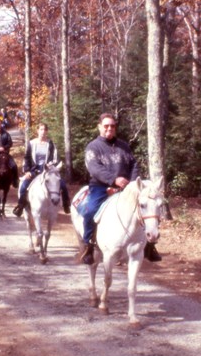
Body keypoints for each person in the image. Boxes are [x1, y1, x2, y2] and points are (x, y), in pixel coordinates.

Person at [80, 113, 140, 265]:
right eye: (106, 125)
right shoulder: (93, 147)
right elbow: (94, 168)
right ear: (99, 127)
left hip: (126, 187)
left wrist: (132, 184)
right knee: (90, 211)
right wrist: (113, 180)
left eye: (112, 126)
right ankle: (88, 245)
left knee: (145, 209)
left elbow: (134, 164)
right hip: (101, 186)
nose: (109, 128)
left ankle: (149, 245)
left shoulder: (124, 146)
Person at [12, 122, 71, 217]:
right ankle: (20, 206)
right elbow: (27, 158)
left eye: (44, 130)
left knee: (62, 184)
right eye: (41, 129)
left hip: (48, 170)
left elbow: (56, 158)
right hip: (34, 170)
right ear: (37, 131)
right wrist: (27, 171)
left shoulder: (51, 144)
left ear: (47, 131)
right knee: (23, 186)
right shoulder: (32, 143)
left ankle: (66, 205)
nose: (43, 132)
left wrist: (51, 164)